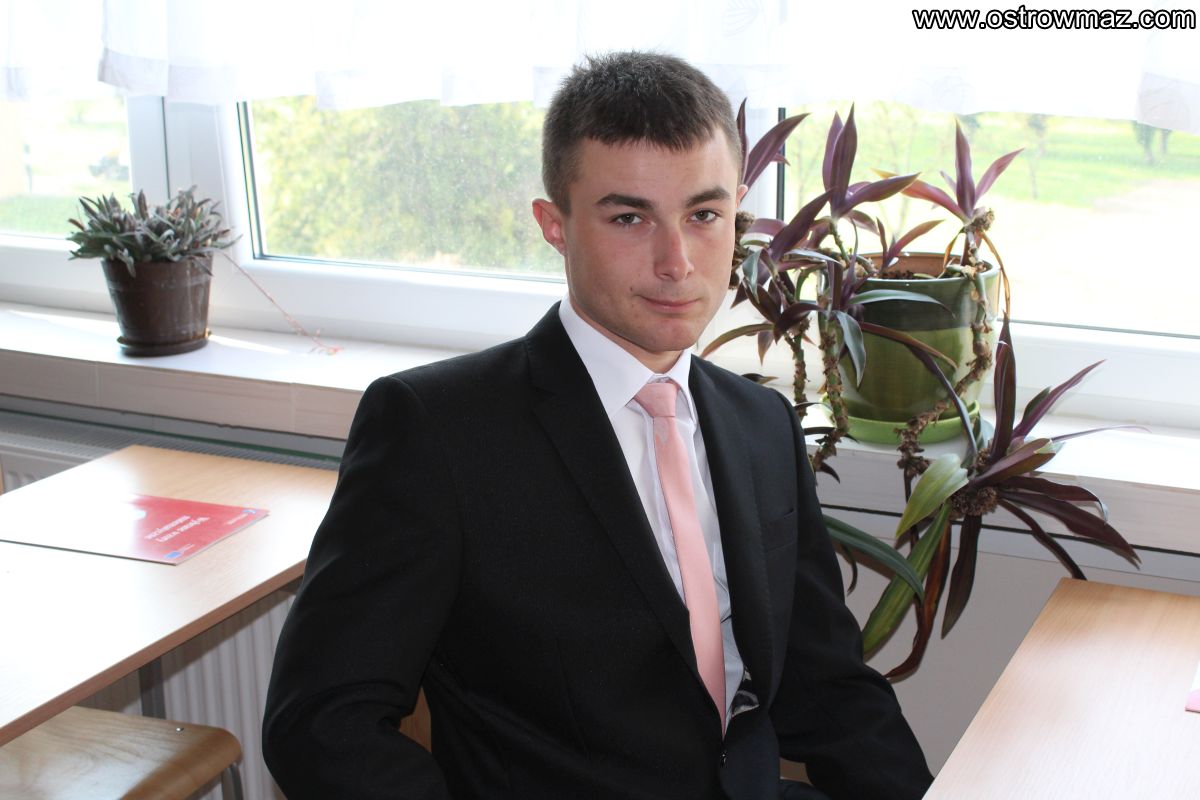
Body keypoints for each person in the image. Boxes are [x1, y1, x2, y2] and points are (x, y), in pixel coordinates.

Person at [262, 51, 932, 800]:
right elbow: (319, 723)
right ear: (556, 225)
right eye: (629, 218)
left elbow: (827, 685)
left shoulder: (760, 423)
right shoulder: (438, 431)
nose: (677, 262)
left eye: (704, 215)